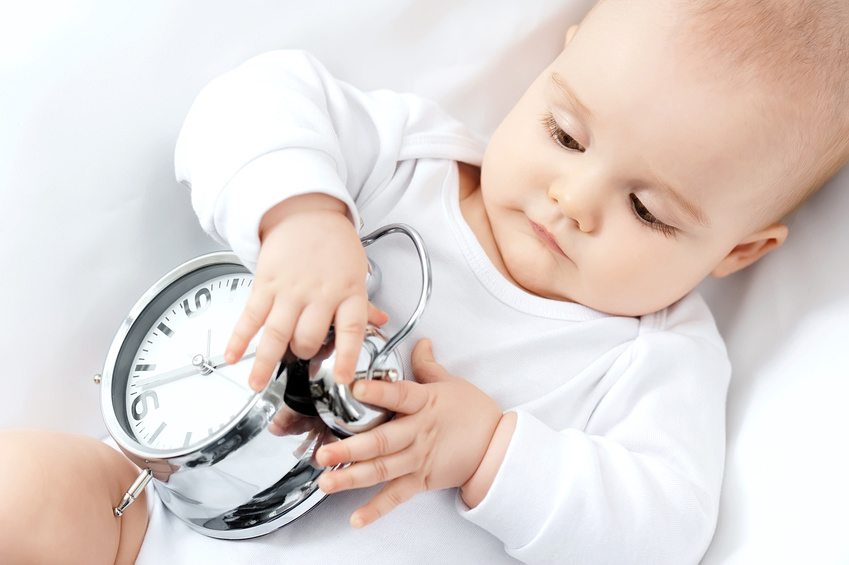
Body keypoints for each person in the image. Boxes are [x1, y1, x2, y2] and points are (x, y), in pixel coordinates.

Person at [2, 1, 847, 563]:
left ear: (738, 252)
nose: (573, 199)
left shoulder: (649, 356)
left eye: (649, 211)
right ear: (562, 57)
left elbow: (664, 528)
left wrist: (489, 454)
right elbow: (250, 98)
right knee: (29, 487)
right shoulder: (409, 162)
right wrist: (302, 214)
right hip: (145, 511)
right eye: (564, 132)